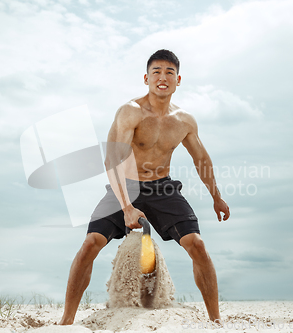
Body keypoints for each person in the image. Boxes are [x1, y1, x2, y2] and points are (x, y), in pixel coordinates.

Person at [58, 49, 230, 325]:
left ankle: (216, 322)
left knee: (197, 245)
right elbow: (111, 159)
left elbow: (202, 159)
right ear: (146, 78)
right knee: (90, 243)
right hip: (125, 186)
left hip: (163, 189)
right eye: (156, 72)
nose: (163, 77)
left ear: (178, 80)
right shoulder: (131, 112)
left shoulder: (184, 121)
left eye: (169, 73)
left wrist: (216, 197)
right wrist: (126, 206)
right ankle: (66, 321)